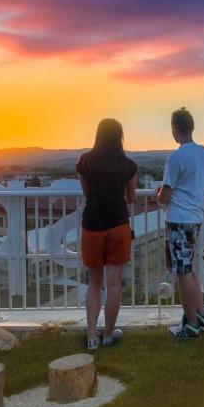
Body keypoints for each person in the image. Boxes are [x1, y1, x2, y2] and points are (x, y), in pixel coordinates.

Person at [77, 118, 137, 351]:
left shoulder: (84, 162)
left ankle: (92, 336)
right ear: (119, 137)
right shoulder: (128, 166)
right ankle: (109, 335)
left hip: (92, 226)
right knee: (113, 285)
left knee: (94, 283)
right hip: (118, 226)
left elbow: (86, 192)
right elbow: (130, 198)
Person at [157, 107, 204, 339]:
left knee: (183, 272)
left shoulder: (176, 157)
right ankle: (201, 315)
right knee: (188, 269)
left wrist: (157, 195)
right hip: (196, 217)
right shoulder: (203, 153)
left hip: (179, 219)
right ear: (191, 127)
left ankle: (190, 325)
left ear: (174, 129)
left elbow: (165, 196)